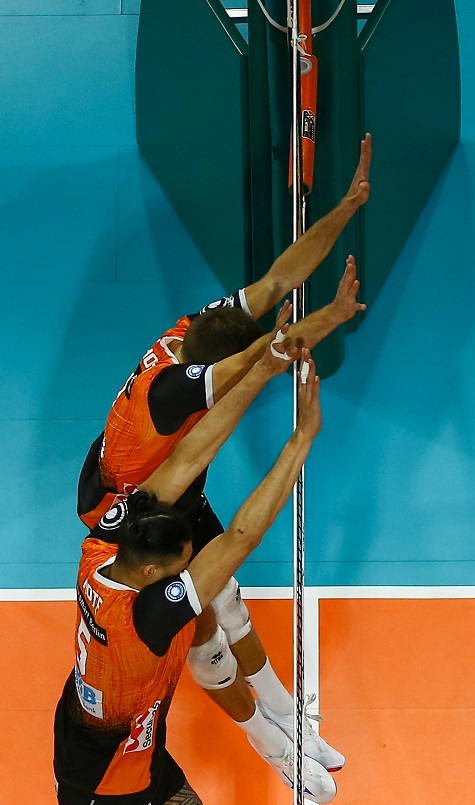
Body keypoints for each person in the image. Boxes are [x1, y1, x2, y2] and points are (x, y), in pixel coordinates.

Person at [75, 133, 371, 771]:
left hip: (170, 482)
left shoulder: (194, 332)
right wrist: (329, 319)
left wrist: (347, 207)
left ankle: (291, 722)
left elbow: (278, 280)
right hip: (127, 510)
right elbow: (269, 354)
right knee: (200, 621)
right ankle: (269, 745)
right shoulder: (182, 391)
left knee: (228, 599)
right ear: (216, 369)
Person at [55, 346, 339, 804]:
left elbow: (186, 458)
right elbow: (242, 537)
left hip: (124, 743)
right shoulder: (143, 622)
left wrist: (265, 365)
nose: (188, 568)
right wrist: (302, 438)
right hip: (113, 777)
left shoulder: (103, 546)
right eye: (180, 565)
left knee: (212, 612)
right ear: (152, 570)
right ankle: (279, 747)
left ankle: (281, 735)